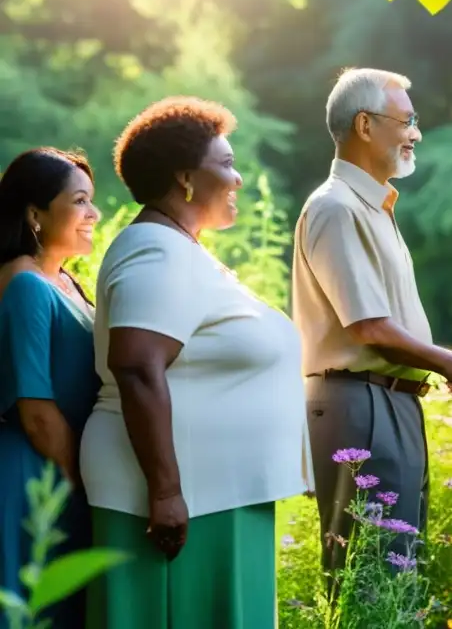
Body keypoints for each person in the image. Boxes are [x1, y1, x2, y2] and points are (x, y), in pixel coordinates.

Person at [80, 97, 311, 629]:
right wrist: (165, 492)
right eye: (226, 165)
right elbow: (137, 367)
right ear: (185, 178)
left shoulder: (180, 249)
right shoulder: (154, 251)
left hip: (216, 492)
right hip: (174, 500)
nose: (239, 179)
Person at [291, 68, 452, 580]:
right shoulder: (336, 208)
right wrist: (449, 363)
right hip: (360, 403)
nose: (416, 133)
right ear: (364, 125)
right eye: (406, 120)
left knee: (396, 574)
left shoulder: (373, 206)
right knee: (370, 576)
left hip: (388, 400)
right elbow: (370, 329)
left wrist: (440, 359)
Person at [0, 148, 100, 629]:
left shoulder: (67, 283)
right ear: (35, 214)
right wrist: (81, 481)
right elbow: (36, 409)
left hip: (64, 469)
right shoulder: (24, 283)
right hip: (36, 473)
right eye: (79, 201)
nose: (93, 214)